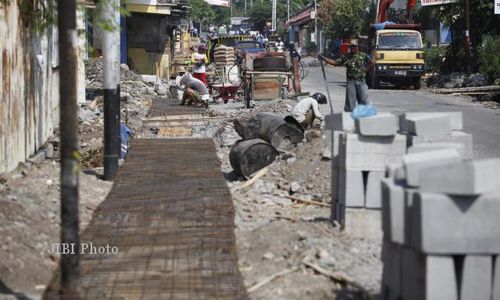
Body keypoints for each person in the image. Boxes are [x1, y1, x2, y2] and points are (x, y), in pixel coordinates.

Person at [318, 43, 372, 112]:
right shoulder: (346, 56)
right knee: (350, 103)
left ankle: (365, 117)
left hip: (361, 81)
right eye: (351, 47)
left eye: (354, 47)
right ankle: (351, 118)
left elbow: (371, 62)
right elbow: (336, 63)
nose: (353, 48)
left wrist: (366, 70)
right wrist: (324, 58)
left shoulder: (363, 55)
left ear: (357, 47)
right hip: (351, 82)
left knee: (364, 100)